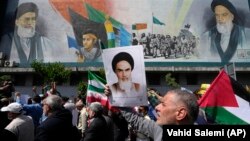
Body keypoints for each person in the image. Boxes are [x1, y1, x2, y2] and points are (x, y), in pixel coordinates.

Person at [105, 87, 199, 141]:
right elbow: (135, 119)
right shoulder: (159, 130)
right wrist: (116, 97)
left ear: (180, 113)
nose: (157, 107)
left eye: (163, 104)